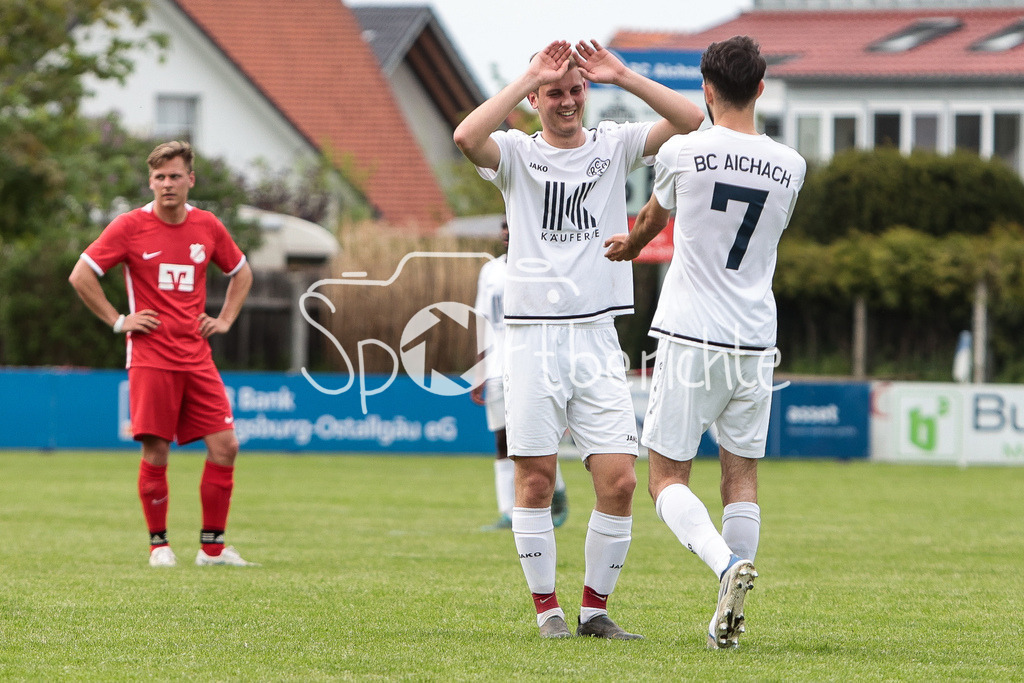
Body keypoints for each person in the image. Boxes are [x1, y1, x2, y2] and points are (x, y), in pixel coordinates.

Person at [454, 39, 704, 639]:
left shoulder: (614, 144)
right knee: (535, 478)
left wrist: (622, 75)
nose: (568, 103)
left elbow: (694, 122)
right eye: (555, 93)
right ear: (536, 99)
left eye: (575, 91)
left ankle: (595, 611)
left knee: (619, 481)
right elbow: (465, 137)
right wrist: (524, 76)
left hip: (596, 337)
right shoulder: (514, 152)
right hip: (532, 340)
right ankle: (549, 612)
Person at [605, 36, 807, 648]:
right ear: (763, 89)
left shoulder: (686, 153)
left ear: (707, 88)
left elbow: (650, 222)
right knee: (740, 479)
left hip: (693, 334)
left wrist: (629, 249)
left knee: (666, 476)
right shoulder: (792, 165)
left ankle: (726, 569)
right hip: (756, 340)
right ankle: (733, 618)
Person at [69, 141, 256, 569]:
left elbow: (241, 272)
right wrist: (119, 320)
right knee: (157, 452)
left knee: (226, 445)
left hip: (197, 355)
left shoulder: (208, 226)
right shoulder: (129, 227)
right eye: (159, 177)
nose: (167, 184)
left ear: (191, 179)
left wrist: (224, 320)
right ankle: (159, 546)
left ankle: (212, 548)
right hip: (151, 356)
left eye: (174, 176)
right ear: (150, 181)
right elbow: (81, 275)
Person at [471, 219, 568, 531]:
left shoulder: (542, 266)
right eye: (502, 225)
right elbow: (482, 320)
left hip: (533, 361)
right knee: (502, 440)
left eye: (510, 224)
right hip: (498, 365)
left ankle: (558, 491)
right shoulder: (490, 271)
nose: (504, 231)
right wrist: (479, 370)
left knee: (533, 434)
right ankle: (508, 512)